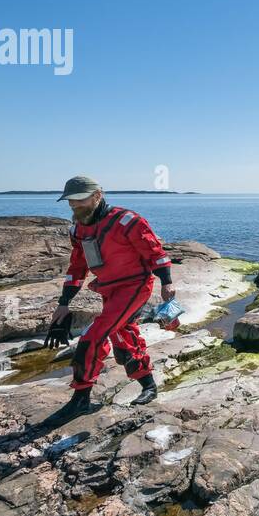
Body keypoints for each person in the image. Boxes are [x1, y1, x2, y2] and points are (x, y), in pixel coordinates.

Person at [44, 175, 175, 421]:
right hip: (108, 288)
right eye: (70, 201)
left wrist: (166, 282)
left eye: (79, 200)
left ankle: (81, 399)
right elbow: (77, 268)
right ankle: (149, 386)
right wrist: (63, 304)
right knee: (123, 333)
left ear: (97, 195)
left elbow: (155, 252)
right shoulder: (78, 229)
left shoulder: (127, 221)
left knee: (94, 336)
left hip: (135, 285)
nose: (74, 206)